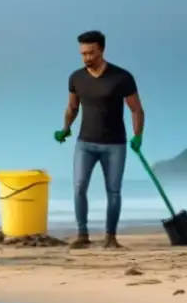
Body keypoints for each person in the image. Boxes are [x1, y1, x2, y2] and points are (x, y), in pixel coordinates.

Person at [54, 30, 144, 250]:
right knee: (78, 187)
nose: (86, 58)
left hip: (115, 145)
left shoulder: (122, 77)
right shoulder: (76, 78)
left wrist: (138, 135)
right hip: (85, 144)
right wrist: (65, 129)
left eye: (91, 53)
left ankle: (110, 237)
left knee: (113, 190)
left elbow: (136, 109)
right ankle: (82, 235)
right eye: (83, 54)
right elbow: (72, 108)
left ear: (101, 50)